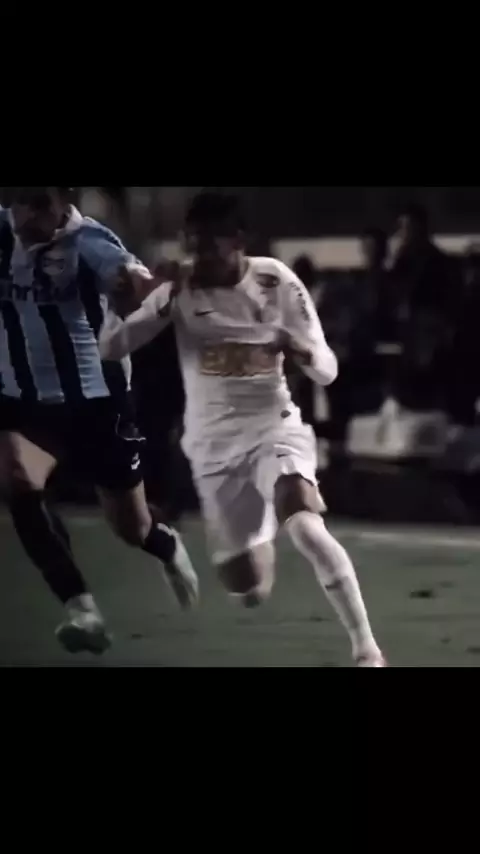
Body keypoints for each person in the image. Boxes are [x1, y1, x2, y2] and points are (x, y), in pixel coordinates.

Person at [100, 191, 385, 667]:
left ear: (237, 241)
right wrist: (122, 305)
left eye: (209, 244)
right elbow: (112, 348)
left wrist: (300, 348)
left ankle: (367, 651)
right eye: (192, 244)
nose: (198, 256)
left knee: (307, 527)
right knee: (247, 588)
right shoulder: (177, 289)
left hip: (274, 428)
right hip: (213, 448)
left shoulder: (275, 281)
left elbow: (328, 370)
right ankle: (268, 511)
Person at [0, 187, 198, 656]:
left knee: (131, 527)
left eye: (40, 202)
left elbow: (133, 284)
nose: (27, 215)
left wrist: (150, 286)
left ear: (64, 202)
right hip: (23, 402)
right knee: (17, 480)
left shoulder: (90, 242)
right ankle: (81, 608)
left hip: (97, 404)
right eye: (20, 200)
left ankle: (163, 543)